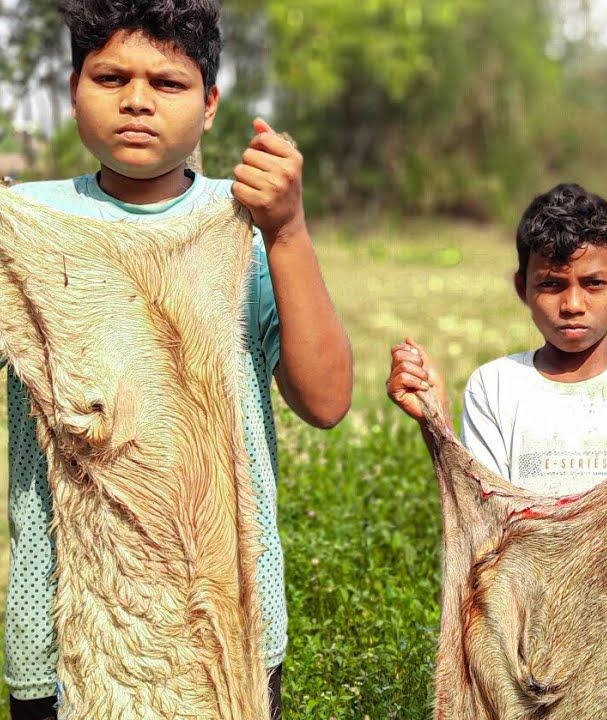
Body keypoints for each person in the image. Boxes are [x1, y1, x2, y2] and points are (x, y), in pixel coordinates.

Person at [3, 0, 354, 717]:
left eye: (167, 83)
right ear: (73, 91)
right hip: (66, 641)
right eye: (110, 78)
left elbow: (325, 400)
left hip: (226, 628)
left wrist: (288, 232)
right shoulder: (26, 227)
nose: (136, 100)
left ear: (210, 104)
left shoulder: (245, 228)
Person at [388, 182, 607, 719]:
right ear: (522, 287)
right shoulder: (496, 386)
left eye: (592, 283)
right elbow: (487, 536)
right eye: (551, 284)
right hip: (519, 669)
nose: (572, 303)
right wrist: (434, 424)